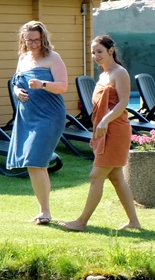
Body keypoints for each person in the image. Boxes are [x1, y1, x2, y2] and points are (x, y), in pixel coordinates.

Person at [60, 36, 141, 232]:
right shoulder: (104, 75)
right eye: (93, 52)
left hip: (116, 129)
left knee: (96, 176)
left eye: (99, 51)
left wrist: (105, 120)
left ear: (111, 50)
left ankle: (81, 222)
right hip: (103, 130)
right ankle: (134, 222)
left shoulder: (119, 73)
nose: (95, 56)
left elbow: (123, 103)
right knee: (116, 177)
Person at [7, 21, 67, 225]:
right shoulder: (23, 58)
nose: (33, 44)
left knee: (36, 161)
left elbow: (63, 86)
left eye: (36, 40)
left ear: (43, 38)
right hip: (27, 115)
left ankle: (46, 212)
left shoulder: (52, 57)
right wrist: (16, 91)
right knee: (33, 165)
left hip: (49, 116)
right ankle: (43, 210)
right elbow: (15, 81)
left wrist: (43, 84)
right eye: (29, 40)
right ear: (22, 39)